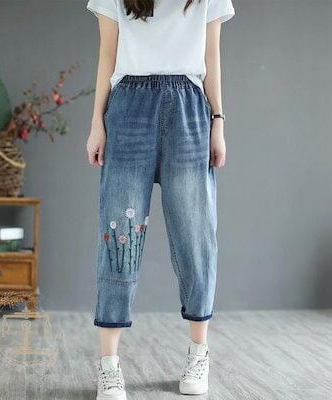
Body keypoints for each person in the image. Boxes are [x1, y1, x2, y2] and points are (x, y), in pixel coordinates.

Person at [86, 0, 235, 398]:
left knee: (195, 236)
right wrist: (97, 122)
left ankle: (199, 352)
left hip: (189, 109)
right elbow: (107, 55)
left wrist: (218, 123)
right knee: (119, 234)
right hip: (127, 108)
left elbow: (212, 56)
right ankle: (108, 364)